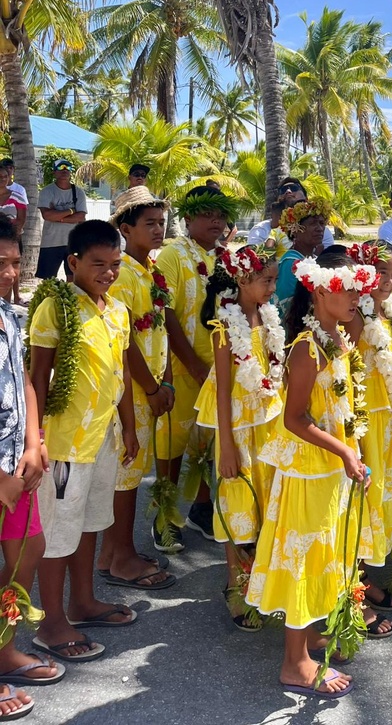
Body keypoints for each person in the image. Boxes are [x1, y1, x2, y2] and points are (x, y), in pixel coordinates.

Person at [246, 253, 376, 697]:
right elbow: (294, 419)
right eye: (349, 291)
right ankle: (293, 661)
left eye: (360, 290)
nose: (358, 297)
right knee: (302, 555)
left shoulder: (336, 338)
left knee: (326, 550)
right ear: (321, 292)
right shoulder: (306, 347)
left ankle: (313, 632)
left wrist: (351, 452)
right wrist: (343, 450)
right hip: (307, 468)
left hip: (331, 466)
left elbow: (341, 406)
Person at [29, 220, 138, 662]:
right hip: (65, 442)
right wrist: (35, 440)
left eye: (115, 265)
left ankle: (83, 602)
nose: (109, 273)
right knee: (58, 534)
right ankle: (52, 621)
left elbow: (122, 373)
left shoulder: (116, 310)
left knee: (91, 523)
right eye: (99, 264)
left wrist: (129, 426)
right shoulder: (56, 309)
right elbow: (36, 377)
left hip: (104, 438)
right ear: (72, 263)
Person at [196, 245, 284, 631]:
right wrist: (226, 446)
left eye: (274, 281)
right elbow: (221, 390)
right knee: (238, 501)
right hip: (237, 427)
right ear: (243, 279)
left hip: (267, 422)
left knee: (265, 502)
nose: (271, 287)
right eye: (266, 280)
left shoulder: (268, 319)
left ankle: (260, 582)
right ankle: (235, 582)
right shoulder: (224, 327)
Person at [97, 188, 176, 591]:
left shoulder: (148, 268)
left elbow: (158, 330)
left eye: (161, 222)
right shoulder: (123, 272)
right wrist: (151, 387)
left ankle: (114, 553)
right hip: (132, 391)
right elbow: (124, 342)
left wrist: (166, 381)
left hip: (149, 388)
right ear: (126, 228)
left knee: (128, 473)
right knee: (125, 477)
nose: (159, 229)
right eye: (149, 223)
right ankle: (121, 558)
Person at [154, 187, 238, 550]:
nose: (215, 221)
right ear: (188, 219)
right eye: (206, 214)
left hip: (220, 367)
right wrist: (193, 364)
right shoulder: (172, 255)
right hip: (183, 366)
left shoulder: (227, 258)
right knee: (171, 445)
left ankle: (201, 510)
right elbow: (165, 312)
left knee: (209, 444)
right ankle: (163, 515)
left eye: (220, 214)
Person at [0, 215, 61, 704]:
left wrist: (34, 443)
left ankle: (4, 647)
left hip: (19, 465)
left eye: (16, 262)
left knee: (28, 551)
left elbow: (23, 382)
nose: (9, 273)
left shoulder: (8, 315)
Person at [345, 242, 392, 635]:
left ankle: (363, 578)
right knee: (359, 500)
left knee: (376, 497)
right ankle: (351, 589)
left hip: (385, 419)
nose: (388, 282)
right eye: (380, 273)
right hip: (359, 419)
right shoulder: (353, 312)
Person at [274, 199, 332, 315]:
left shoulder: (314, 258)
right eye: (312, 223)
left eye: (321, 223)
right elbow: (288, 310)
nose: (319, 228)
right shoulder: (290, 263)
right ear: (294, 230)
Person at [36, 160, 87, 281]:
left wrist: (58, 216)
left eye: (68, 167)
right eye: (60, 167)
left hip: (73, 241)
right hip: (51, 241)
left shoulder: (79, 192)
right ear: (54, 172)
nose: (64, 170)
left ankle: (72, 300)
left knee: (73, 277)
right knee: (48, 279)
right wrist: (71, 211)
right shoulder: (46, 191)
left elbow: (81, 217)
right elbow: (47, 215)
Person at [0, 159, 28, 307]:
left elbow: (21, 219)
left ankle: (6, 308)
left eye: (5, 177)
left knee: (8, 274)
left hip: (12, 239)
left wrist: (11, 239)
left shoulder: (17, 195)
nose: (3, 179)